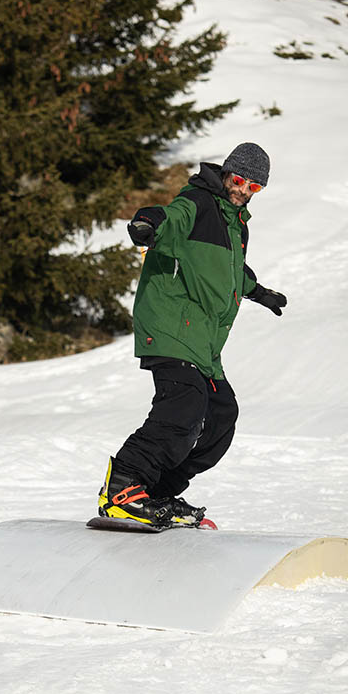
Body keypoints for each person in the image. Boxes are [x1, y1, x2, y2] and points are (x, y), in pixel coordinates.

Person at [99, 142, 287, 529]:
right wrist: (148, 222)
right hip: (171, 327)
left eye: (254, 188)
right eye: (238, 180)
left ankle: (157, 492)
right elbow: (170, 218)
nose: (243, 190)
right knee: (183, 408)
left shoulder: (235, 223)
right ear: (226, 173)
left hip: (202, 342)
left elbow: (230, 267)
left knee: (221, 418)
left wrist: (258, 291)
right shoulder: (200, 203)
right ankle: (123, 486)